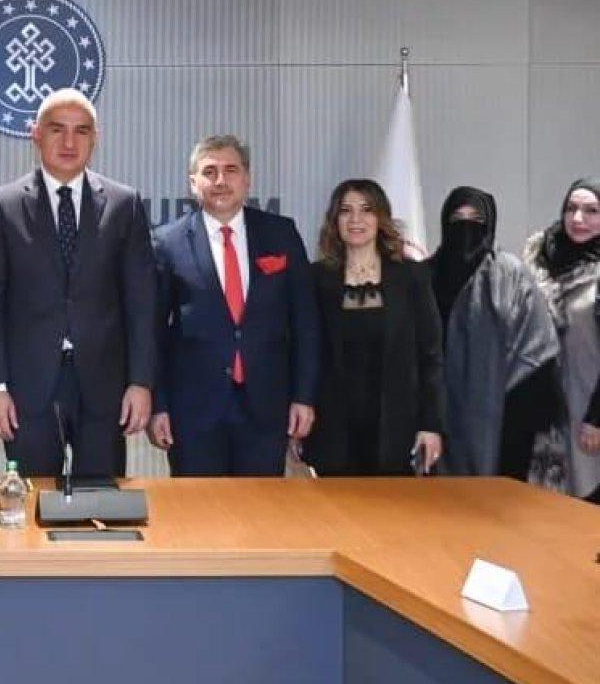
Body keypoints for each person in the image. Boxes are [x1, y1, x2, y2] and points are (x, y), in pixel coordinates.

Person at [0, 89, 155, 477]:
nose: (69, 142)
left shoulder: (125, 204)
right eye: (57, 130)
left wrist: (141, 382)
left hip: (105, 387)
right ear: (35, 134)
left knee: (102, 500)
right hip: (27, 388)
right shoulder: (2, 206)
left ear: (95, 137)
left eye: (81, 131)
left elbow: (141, 303)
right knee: (31, 498)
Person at [150, 135, 320, 475]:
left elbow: (306, 322)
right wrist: (159, 405)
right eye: (209, 172)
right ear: (193, 183)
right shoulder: (167, 242)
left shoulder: (281, 233)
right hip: (193, 411)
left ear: (247, 178)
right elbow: (153, 333)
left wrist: (304, 396)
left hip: (266, 406)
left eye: (231, 170)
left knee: (261, 507)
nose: (220, 181)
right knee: (199, 507)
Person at [304, 179, 444, 476]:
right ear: (335, 220)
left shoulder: (412, 277)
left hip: (396, 430)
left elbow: (430, 357)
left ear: (380, 218)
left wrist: (430, 425)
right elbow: (303, 353)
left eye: (366, 210)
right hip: (332, 431)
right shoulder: (315, 279)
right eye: (346, 211)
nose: (356, 219)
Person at [429, 186, 559, 480]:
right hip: (439, 412)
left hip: (500, 414)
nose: (466, 226)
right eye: (457, 218)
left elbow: (536, 349)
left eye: (476, 219)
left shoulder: (510, 274)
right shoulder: (428, 274)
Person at [523, 177, 600, 500]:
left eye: (592, 211)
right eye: (571, 209)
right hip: (547, 407)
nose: (578, 219)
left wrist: (597, 419)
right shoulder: (538, 260)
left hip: (588, 406)